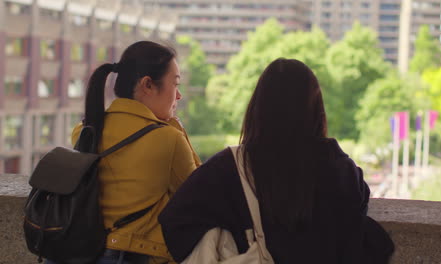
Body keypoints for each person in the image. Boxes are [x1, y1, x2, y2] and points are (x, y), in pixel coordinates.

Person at [159, 58, 394, 263]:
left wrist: (234, 237)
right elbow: (356, 219)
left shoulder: (230, 168)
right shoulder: (340, 168)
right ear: (315, 108)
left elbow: (175, 221)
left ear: (258, 108)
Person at [47, 41, 201, 264]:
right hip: (131, 256)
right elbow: (197, 197)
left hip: (79, 251)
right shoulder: (168, 138)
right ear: (147, 85)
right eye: (175, 84)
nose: (179, 96)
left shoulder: (84, 131)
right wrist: (177, 128)